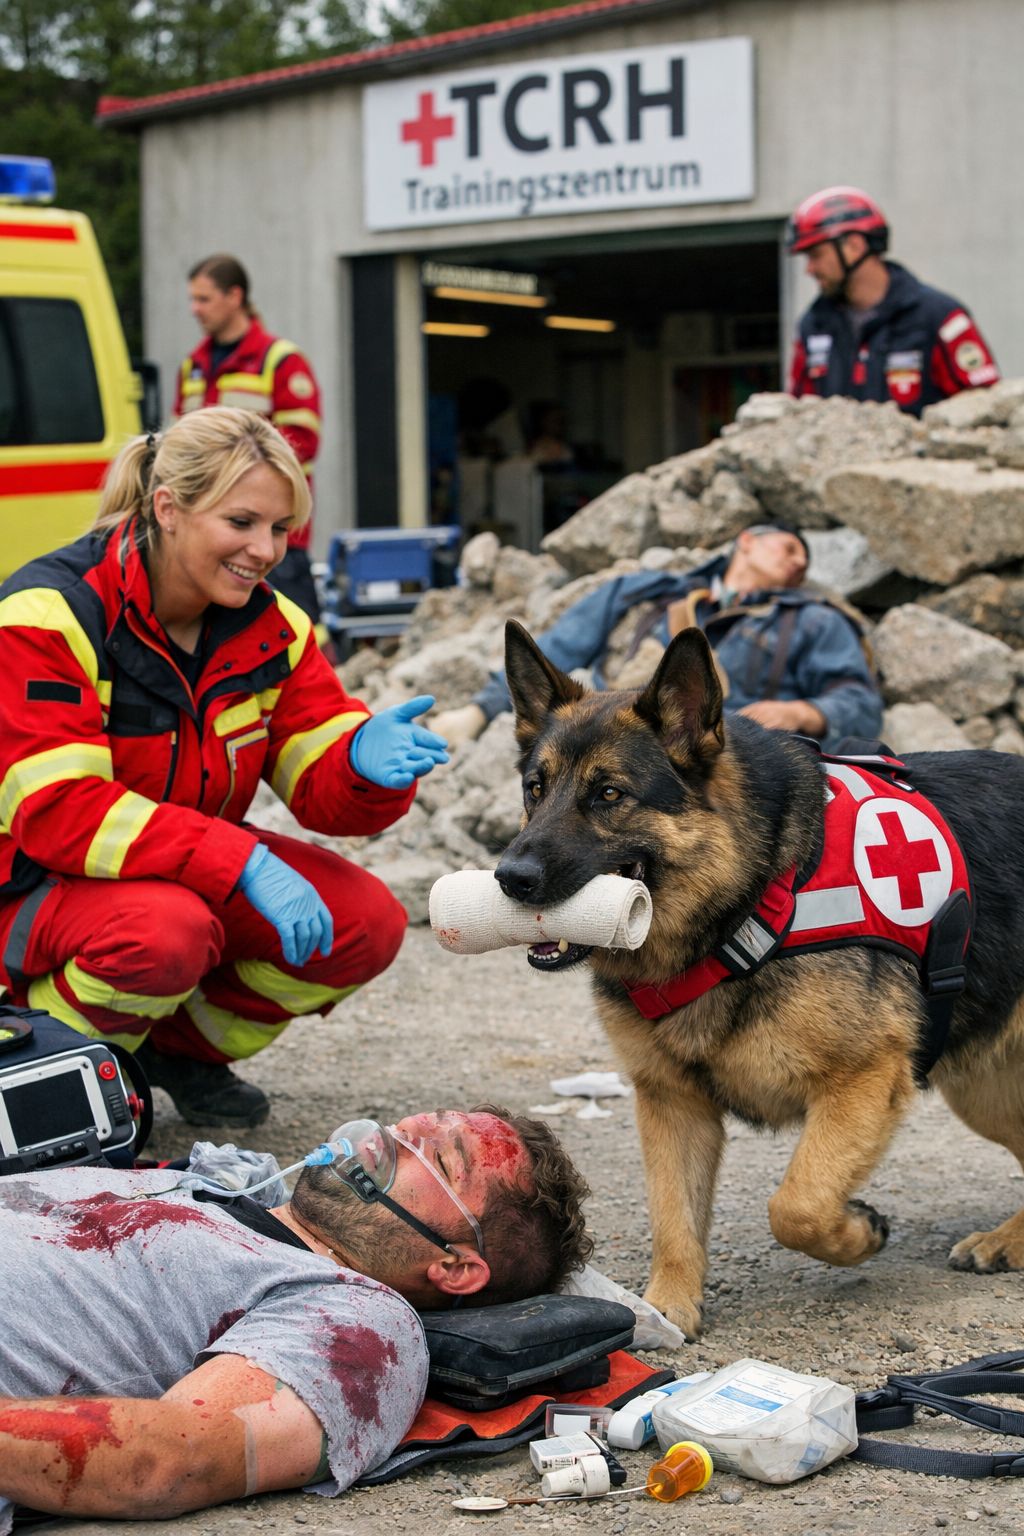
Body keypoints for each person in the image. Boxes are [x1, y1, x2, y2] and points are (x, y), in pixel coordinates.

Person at [0, 408, 449, 1128]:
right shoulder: (48, 615)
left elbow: (321, 792)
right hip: (27, 887)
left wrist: (363, 767)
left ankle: (169, 1052)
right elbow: (61, 811)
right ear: (168, 509)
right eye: (242, 523)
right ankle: (40, 1071)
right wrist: (238, 862)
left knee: (365, 923)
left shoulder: (272, 627)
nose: (265, 549)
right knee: (166, 932)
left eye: (279, 529)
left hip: (173, 872)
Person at [0, 1105, 593, 1527]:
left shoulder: (357, 1319)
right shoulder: (215, 1189)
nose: (400, 1130)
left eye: (438, 1153)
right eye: (416, 1122)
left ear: (455, 1267)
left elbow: (168, 1459)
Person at [432, 524, 882, 752]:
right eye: (789, 547)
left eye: (805, 560)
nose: (799, 561)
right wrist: (482, 709)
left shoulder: (814, 620)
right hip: (606, 738)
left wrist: (803, 712)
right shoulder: (648, 591)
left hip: (714, 758)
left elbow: (861, 704)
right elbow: (561, 648)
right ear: (746, 541)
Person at [174, 253, 323, 622]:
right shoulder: (192, 366)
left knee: (293, 636)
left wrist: (235, 472)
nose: (195, 309)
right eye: (192, 299)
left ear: (235, 296)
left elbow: (302, 443)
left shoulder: (280, 360)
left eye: (204, 299)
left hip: (271, 536)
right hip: (210, 538)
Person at [786, 186, 999, 416]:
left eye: (816, 255)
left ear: (855, 246)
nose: (809, 269)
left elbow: (986, 411)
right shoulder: (814, 325)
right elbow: (797, 416)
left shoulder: (939, 318)